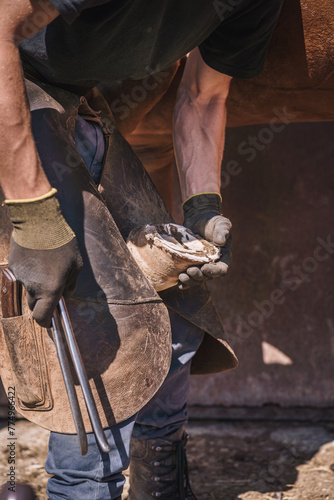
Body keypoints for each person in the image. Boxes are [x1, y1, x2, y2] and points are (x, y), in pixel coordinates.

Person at [0, 1, 283, 498]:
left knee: (176, 317)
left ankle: (160, 486)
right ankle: (82, 489)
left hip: (73, 98)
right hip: (12, 91)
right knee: (106, 333)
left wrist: (202, 207)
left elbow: (205, 94)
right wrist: (35, 216)